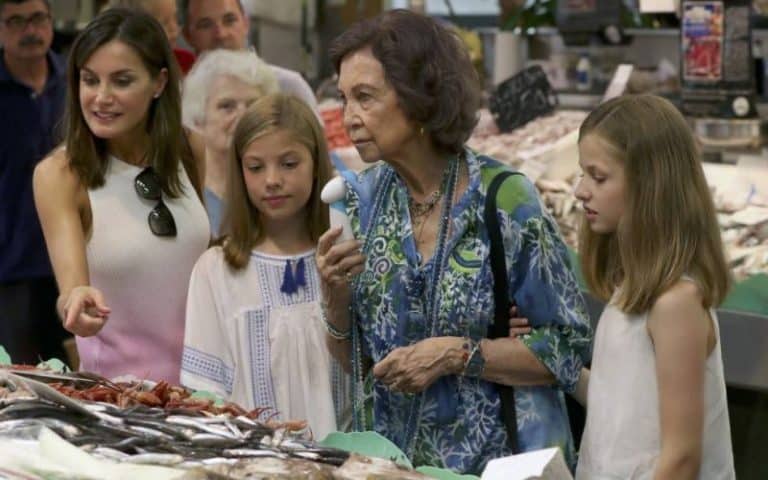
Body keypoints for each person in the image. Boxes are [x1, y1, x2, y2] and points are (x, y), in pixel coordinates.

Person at [316, 10, 592, 474]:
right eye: (344, 99)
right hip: (398, 464)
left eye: (365, 97)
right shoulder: (362, 202)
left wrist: (457, 354)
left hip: (502, 460)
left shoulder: (505, 200)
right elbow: (359, 362)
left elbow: (568, 346)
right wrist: (335, 300)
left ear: (419, 97)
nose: (350, 119)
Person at [33, 8, 210, 383]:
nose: (101, 97)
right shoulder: (60, 175)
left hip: (205, 390)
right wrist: (75, 303)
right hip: (118, 399)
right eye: (90, 80)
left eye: (122, 81)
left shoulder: (191, 149)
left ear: (159, 83)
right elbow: (71, 288)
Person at [572, 94, 735, 479]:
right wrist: (558, 369)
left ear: (651, 186)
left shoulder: (676, 303)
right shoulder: (630, 288)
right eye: (582, 173)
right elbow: (628, 407)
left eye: (598, 177)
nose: (580, 190)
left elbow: (680, 459)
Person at [181, 93, 349, 438]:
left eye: (289, 164)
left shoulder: (344, 256)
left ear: (316, 163)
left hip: (354, 460)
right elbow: (205, 393)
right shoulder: (217, 270)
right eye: (256, 167)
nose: (272, 180)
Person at [0, 0, 71, 365]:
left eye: (37, 18)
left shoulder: (78, 82)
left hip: (77, 264)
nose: (30, 30)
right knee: (23, 382)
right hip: (12, 270)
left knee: (88, 382)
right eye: (15, 22)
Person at [182, 48, 279, 237]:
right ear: (199, 119)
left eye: (253, 105)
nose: (242, 116)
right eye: (227, 106)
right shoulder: (185, 192)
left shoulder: (278, 188)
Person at [179, 0, 318, 116]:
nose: (220, 34)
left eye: (229, 20)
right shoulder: (177, 99)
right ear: (187, 36)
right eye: (206, 25)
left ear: (246, 24)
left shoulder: (289, 87)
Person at [107, 0, 196, 74]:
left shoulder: (186, 62)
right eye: (164, 22)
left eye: (175, 18)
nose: (174, 29)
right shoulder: (117, 67)